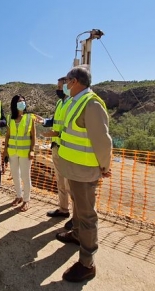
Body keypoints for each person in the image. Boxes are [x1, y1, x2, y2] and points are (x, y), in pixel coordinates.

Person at [54, 67, 112, 283]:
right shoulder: (75, 101)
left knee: (87, 216)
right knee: (78, 206)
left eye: (68, 81)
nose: (65, 84)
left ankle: (87, 263)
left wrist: (104, 167)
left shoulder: (91, 103)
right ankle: (77, 235)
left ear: (75, 81)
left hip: (85, 170)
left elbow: (103, 141)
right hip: (74, 168)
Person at [35, 76, 74, 230]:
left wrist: (56, 134)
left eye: (60, 86)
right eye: (57, 87)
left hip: (68, 148)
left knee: (70, 185)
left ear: (68, 86)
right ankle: (63, 209)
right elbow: (55, 120)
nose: (57, 89)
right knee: (60, 181)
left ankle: (76, 218)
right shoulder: (60, 102)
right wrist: (43, 121)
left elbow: (71, 127)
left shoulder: (73, 103)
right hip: (57, 147)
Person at [3, 95, 36, 212]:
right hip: (12, 152)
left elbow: (33, 136)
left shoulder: (29, 118)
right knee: (15, 175)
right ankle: (18, 196)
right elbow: (7, 135)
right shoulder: (9, 118)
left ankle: (27, 200)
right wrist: (5, 151)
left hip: (25, 152)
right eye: (19, 101)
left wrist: (32, 150)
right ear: (14, 104)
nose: (22, 103)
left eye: (23, 101)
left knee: (25, 176)